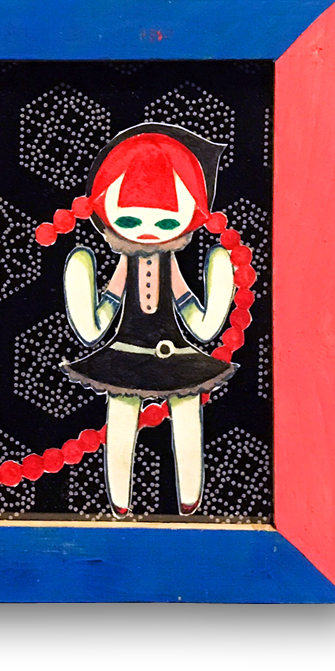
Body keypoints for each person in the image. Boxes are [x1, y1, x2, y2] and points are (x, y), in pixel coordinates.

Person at [36, 123, 243, 517]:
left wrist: (218, 291)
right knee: (122, 416)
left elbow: (195, 317)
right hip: (125, 352)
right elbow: (101, 318)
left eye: (166, 223)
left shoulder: (171, 265)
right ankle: (119, 500)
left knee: (186, 414)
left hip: (176, 352)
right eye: (130, 221)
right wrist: (82, 287)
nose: (147, 232)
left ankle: (190, 496)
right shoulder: (124, 265)